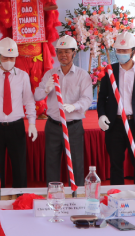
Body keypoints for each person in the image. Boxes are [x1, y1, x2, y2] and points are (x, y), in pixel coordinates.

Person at [97, 32, 135, 185]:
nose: (121, 54)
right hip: (115, 125)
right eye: (119, 51)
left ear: (133, 52)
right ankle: (116, 196)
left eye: (125, 51)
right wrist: (101, 115)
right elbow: (102, 97)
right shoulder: (109, 72)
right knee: (116, 164)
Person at [0, 38, 37, 188]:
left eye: (12, 58)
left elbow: (29, 101)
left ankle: (20, 197)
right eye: (5, 57)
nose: (9, 61)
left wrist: (32, 123)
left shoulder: (22, 76)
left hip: (16, 126)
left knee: (19, 165)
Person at [34, 36, 92, 186]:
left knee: (76, 164)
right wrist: (46, 89)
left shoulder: (82, 75)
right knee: (52, 163)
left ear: (74, 53)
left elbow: (87, 99)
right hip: (53, 125)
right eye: (60, 52)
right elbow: (37, 95)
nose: (63, 55)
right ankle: (53, 197)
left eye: (67, 52)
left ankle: (76, 195)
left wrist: (75, 106)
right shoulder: (50, 74)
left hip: (73, 126)